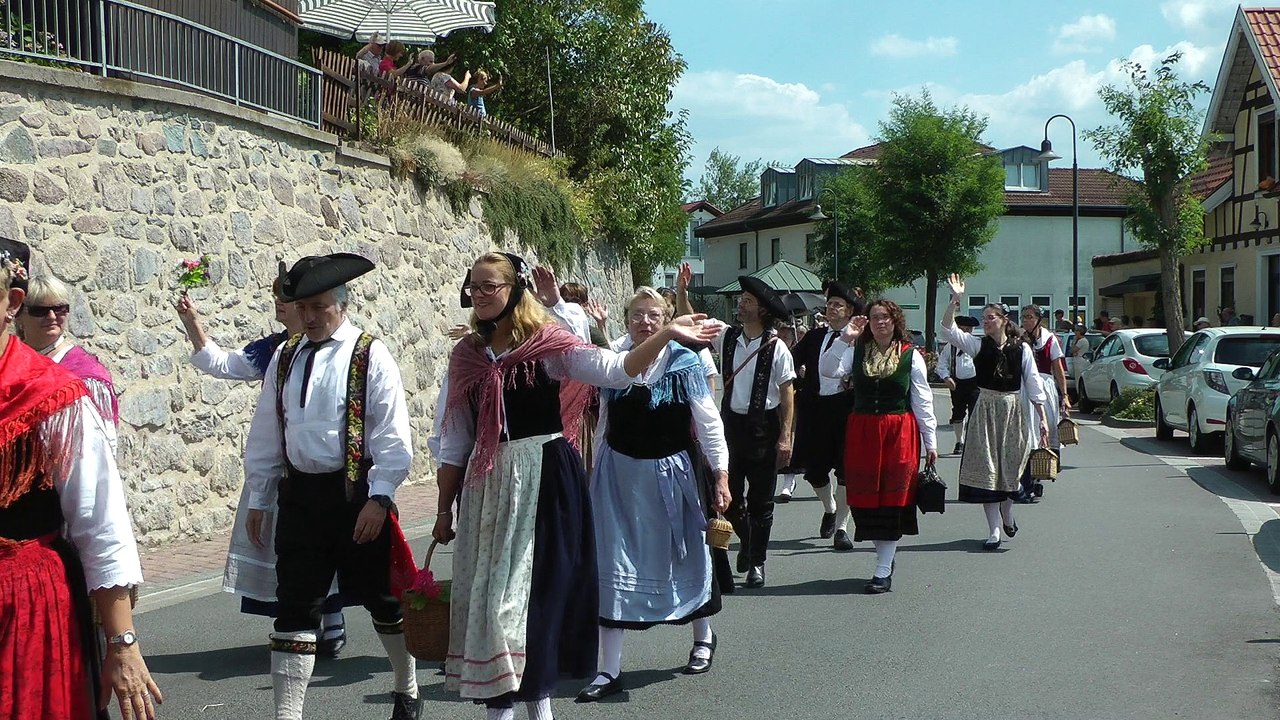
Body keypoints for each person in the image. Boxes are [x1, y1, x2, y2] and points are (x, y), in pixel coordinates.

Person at [431, 253, 717, 720]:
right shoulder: (467, 355)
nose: (479, 295)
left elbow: (616, 369)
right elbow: (455, 440)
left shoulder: (548, 346)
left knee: (531, 599)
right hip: (489, 486)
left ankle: (537, 706)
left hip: (545, 480)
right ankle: (506, 706)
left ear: (514, 291)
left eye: (489, 286)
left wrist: (666, 333)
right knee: (488, 602)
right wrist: (444, 509)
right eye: (473, 287)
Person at [243, 254, 420, 720]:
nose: (309, 317)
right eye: (302, 308)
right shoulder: (285, 357)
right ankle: (288, 715)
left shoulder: (369, 353)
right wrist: (260, 496)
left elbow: (393, 438)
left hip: (356, 496)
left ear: (342, 304)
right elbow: (266, 433)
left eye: (319, 306)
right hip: (300, 499)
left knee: (382, 600)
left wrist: (380, 497)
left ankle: (406, 685)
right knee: (294, 608)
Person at [0, 236, 162, 720]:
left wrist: (123, 643)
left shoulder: (53, 396)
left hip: (24, 607)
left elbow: (100, 523)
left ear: (11, 302)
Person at [175, 278, 353, 657]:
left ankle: (332, 617)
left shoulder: (344, 351)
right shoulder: (275, 350)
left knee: (328, 540)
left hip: (326, 468)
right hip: (282, 466)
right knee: (289, 546)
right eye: (278, 297)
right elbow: (222, 363)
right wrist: (192, 323)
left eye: (287, 298)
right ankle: (300, 619)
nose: (279, 303)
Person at [576, 287, 732, 703]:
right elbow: (604, 423)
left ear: (666, 320)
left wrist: (721, 475)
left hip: (673, 475)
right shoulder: (615, 361)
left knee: (687, 555)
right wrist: (594, 475)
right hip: (618, 477)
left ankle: (703, 636)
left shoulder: (684, 361)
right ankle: (608, 669)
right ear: (627, 320)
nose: (644, 322)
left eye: (652, 315)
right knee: (612, 563)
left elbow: (709, 422)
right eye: (637, 315)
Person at [677, 264, 796, 589]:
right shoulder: (727, 335)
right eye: (741, 299)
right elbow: (692, 322)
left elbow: (787, 392)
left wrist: (785, 436)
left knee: (761, 501)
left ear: (762, 310)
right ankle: (748, 541)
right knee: (728, 497)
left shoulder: (777, 347)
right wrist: (682, 293)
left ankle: (757, 562)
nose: (740, 305)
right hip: (730, 426)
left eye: (747, 301)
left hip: (764, 429)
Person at [820, 299, 937, 592]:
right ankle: (885, 556)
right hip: (863, 433)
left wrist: (931, 441)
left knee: (891, 500)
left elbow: (922, 400)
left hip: (898, 433)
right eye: (874, 317)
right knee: (866, 501)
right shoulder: (856, 350)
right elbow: (827, 370)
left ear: (895, 321)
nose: (880, 322)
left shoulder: (910, 355)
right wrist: (845, 337)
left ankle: (883, 567)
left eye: (885, 317)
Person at [940, 276, 1048, 550]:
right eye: (984, 318)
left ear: (1003, 320)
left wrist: (1043, 419)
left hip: (1012, 410)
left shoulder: (1021, 348)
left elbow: (1033, 382)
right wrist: (955, 300)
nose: (986, 321)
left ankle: (1008, 514)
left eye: (990, 317)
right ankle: (994, 530)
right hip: (985, 409)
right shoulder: (978, 345)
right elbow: (948, 329)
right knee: (987, 470)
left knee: (1010, 468)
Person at [784, 282, 865, 550]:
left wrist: (856, 379)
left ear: (850, 310)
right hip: (815, 409)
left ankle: (842, 527)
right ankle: (830, 508)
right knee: (815, 472)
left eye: (838, 305)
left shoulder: (861, 339)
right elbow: (790, 362)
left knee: (845, 471)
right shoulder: (814, 336)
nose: (831, 309)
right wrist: (796, 380)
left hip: (847, 409)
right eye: (829, 304)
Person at [15, 275, 118, 446]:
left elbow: (96, 446)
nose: (51, 316)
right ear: (18, 315)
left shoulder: (85, 375)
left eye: (60, 309)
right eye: (39, 311)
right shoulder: (12, 362)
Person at [1018, 305, 1070, 502]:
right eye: (1023, 317)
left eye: (1030, 317)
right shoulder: (1020, 339)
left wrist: (1064, 395)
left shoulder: (1050, 339)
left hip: (1045, 387)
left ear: (1039, 319)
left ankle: (1037, 476)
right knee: (1027, 433)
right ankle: (1026, 481)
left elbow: (1058, 369)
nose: (1026, 321)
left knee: (1043, 433)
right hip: (1025, 388)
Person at [935, 315, 979, 456]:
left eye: (968, 329)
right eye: (963, 329)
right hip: (957, 384)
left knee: (975, 413)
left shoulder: (976, 344)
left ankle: (973, 442)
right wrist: (946, 377)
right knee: (958, 413)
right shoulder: (951, 347)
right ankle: (959, 441)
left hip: (975, 384)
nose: (966, 332)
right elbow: (942, 364)